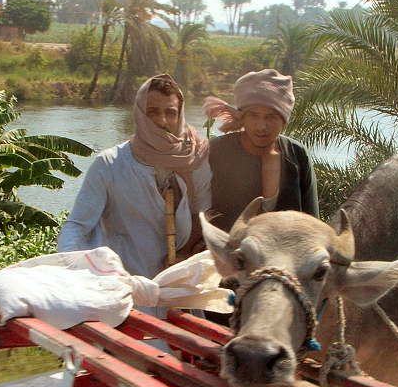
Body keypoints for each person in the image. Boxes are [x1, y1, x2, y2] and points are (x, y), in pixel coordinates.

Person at [58, 74, 211, 280]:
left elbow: (201, 215)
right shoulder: (110, 164)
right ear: (139, 113)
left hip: (178, 282)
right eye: (153, 112)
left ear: (180, 116)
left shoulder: (195, 158)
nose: (162, 121)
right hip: (123, 281)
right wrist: (71, 269)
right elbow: (77, 225)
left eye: (171, 113)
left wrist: (184, 255)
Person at [203, 68, 318, 233]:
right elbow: (197, 209)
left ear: (284, 120)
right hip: (229, 253)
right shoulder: (217, 152)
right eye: (254, 115)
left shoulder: (297, 155)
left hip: (285, 255)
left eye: (271, 117)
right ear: (242, 117)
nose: (261, 126)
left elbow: (311, 222)